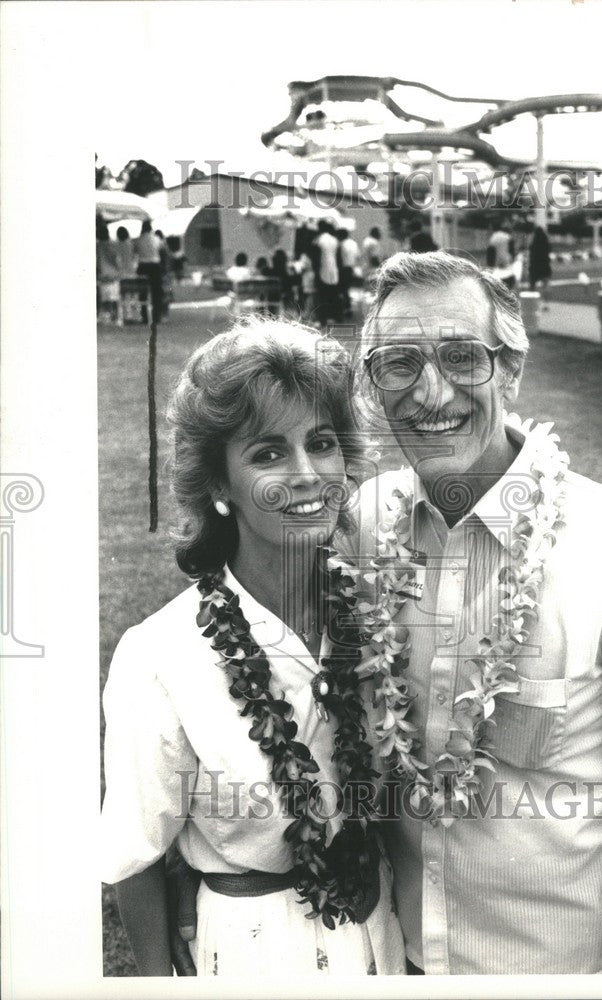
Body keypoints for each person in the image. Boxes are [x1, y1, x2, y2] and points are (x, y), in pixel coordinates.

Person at [170, 254, 602, 976]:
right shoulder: (355, 523)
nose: (430, 392)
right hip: (393, 953)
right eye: (398, 363)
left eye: (461, 357)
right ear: (370, 384)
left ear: (510, 369)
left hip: (557, 969)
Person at [101, 319, 406, 977]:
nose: (306, 475)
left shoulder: (378, 616)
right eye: (268, 453)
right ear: (218, 485)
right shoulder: (160, 658)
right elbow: (136, 859)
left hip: (381, 936)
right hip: (252, 952)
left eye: (320, 444)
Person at [135, 220, 165, 323]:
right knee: (156, 293)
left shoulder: (138, 240)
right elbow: (162, 249)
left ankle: (144, 316)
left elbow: (135, 251)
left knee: (142, 292)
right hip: (155, 266)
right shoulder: (156, 239)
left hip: (142, 266)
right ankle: (156, 316)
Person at [312, 220, 341, 326]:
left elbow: (316, 259)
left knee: (321, 296)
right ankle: (332, 317)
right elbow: (338, 257)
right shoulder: (335, 240)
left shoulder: (318, 240)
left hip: (322, 271)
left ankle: (322, 319)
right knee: (331, 295)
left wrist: (316, 272)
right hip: (334, 271)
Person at [336, 228, 359, 318]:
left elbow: (339, 258)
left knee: (342, 290)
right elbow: (357, 256)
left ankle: (344, 309)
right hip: (350, 268)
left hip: (342, 269)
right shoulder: (354, 243)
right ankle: (348, 308)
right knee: (346, 289)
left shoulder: (341, 244)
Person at [528, 225, 552, 294]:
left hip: (535, 265)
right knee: (545, 284)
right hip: (545, 264)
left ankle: (532, 298)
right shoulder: (546, 242)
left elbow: (531, 254)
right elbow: (549, 251)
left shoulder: (533, 243)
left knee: (532, 284)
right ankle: (546, 300)